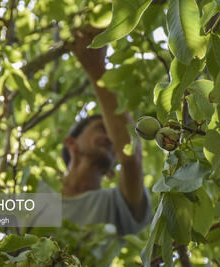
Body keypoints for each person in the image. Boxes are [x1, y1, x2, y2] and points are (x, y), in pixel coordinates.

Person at [58, 28, 152, 235]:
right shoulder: (38, 204)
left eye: (113, 131)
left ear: (111, 171)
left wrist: (97, 68)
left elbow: (130, 160)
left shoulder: (114, 206)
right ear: (72, 143)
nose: (111, 138)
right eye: (102, 129)